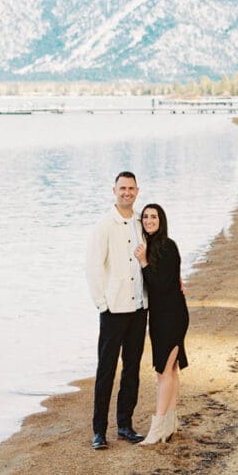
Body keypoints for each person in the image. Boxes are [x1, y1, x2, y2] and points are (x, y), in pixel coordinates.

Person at [86, 171, 148, 449]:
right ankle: (99, 431)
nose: (127, 193)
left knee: (132, 369)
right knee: (106, 370)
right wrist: (103, 303)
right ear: (114, 191)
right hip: (113, 309)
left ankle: (125, 424)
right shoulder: (104, 226)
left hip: (138, 307)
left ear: (137, 191)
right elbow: (93, 267)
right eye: (122, 188)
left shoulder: (140, 222)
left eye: (131, 188)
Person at [134, 203, 189, 445]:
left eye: (153, 216)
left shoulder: (166, 246)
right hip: (161, 315)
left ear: (161, 220)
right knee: (171, 371)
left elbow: (160, 285)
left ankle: (157, 428)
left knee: (163, 373)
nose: (148, 220)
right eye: (145, 217)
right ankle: (170, 424)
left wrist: (144, 263)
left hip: (172, 316)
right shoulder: (155, 246)